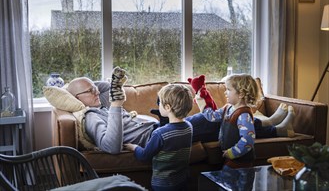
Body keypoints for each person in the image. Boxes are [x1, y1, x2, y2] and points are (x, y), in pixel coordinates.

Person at [66, 75, 295, 156]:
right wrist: (116, 106)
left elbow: (104, 87)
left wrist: (97, 87)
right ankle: (274, 129)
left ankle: (268, 124)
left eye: (94, 88)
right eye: (89, 91)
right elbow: (111, 146)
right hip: (159, 135)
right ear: (77, 98)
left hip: (158, 131)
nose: (96, 92)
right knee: (213, 119)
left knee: (222, 124)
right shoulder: (92, 117)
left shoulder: (101, 104)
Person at [195, 73, 294, 169]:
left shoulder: (244, 115)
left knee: (241, 184)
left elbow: (248, 140)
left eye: (228, 90)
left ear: (241, 94)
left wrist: (232, 152)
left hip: (241, 162)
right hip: (229, 159)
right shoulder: (228, 108)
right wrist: (202, 103)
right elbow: (212, 117)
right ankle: (273, 124)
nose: (225, 92)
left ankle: (274, 126)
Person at [125, 84, 193, 191]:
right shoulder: (189, 127)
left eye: (160, 102)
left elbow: (144, 156)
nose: (158, 105)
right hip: (182, 180)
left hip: (163, 184)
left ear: (167, 107)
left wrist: (133, 147)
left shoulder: (160, 133)